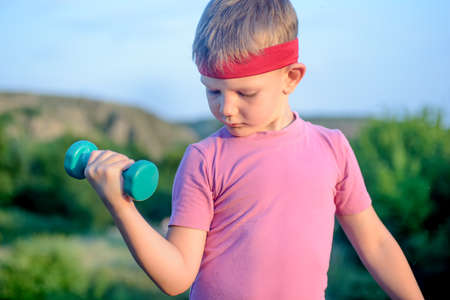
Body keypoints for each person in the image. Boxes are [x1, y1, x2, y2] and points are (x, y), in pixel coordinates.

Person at [84, 0, 425, 299]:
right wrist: (121, 206)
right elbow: (175, 278)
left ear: (291, 78)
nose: (226, 108)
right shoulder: (205, 159)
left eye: (244, 93)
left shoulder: (331, 147)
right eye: (213, 91)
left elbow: (376, 244)